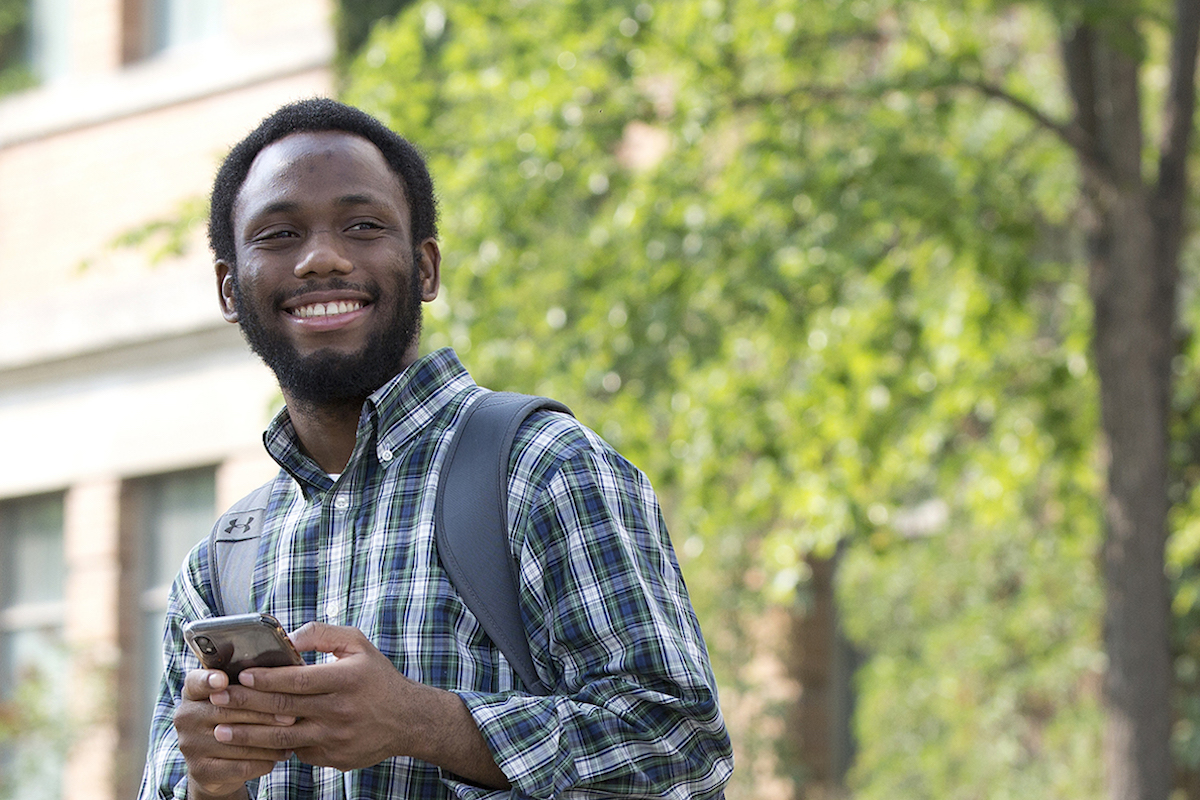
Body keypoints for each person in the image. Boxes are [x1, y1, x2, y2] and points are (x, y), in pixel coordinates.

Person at [139, 97, 733, 800]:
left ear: (425, 269)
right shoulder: (221, 565)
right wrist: (214, 784)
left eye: (363, 226)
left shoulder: (543, 470)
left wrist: (424, 725)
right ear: (230, 288)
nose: (321, 257)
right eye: (279, 233)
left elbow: (682, 748)